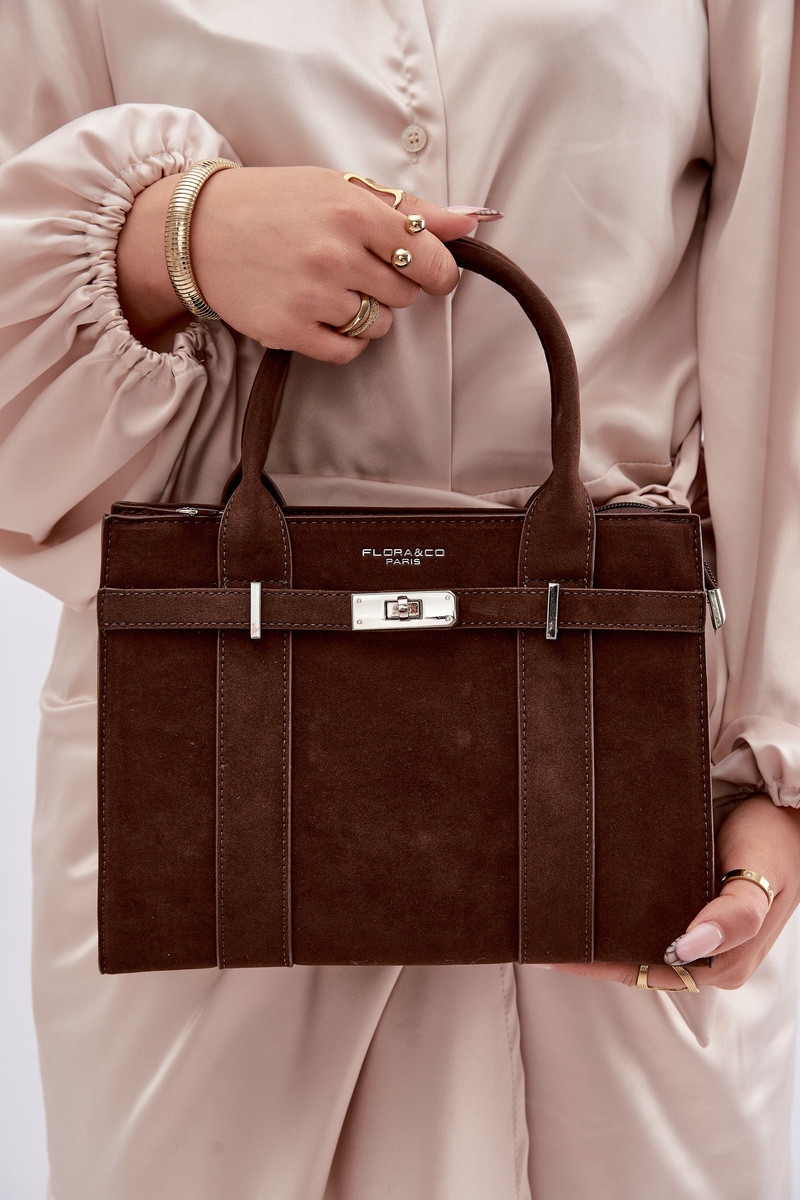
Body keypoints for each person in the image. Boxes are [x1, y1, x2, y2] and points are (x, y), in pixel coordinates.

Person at [1, 2, 799, 1197]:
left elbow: (783, 309)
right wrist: (176, 238)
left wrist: (777, 767)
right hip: (212, 755)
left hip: (619, 750)